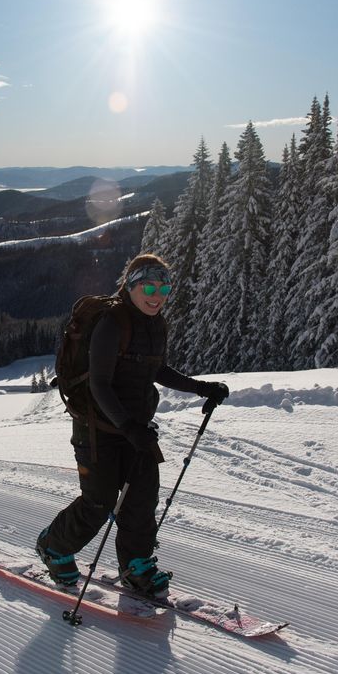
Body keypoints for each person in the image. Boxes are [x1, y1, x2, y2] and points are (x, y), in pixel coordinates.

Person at [36, 254, 229, 598]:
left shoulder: (155, 323)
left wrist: (201, 388)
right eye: (150, 287)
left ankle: (136, 566)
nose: (158, 295)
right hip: (97, 428)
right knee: (99, 501)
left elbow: (158, 369)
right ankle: (54, 546)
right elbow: (100, 384)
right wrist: (129, 427)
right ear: (131, 285)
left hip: (134, 428)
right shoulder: (113, 322)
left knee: (141, 498)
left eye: (165, 287)